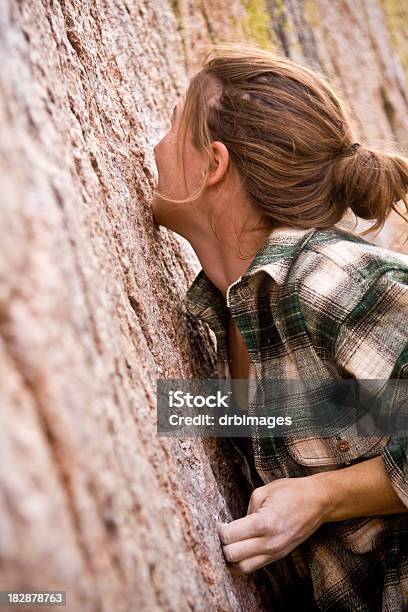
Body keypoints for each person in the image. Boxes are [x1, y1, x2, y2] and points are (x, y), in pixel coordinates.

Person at [151, 42, 408, 611]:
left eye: (172, 126)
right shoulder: (233, 313)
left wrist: (323, 496)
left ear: (214, 165)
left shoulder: (327, 276)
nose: (156, 146)